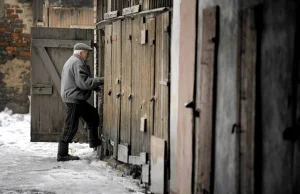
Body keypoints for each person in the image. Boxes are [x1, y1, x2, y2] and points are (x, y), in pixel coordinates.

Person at [57, 43, 103, 162]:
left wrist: (95, 87)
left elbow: (80, 81)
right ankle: (62, 154)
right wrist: (101, 81)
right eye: (87, 53)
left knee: (92, 115)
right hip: (74, 99)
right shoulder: (77, 63)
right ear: (81, 52)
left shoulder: (72, 61)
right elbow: (84, 83)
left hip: (75, 98)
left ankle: (94, 141)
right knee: (70, 126)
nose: (87, 56)